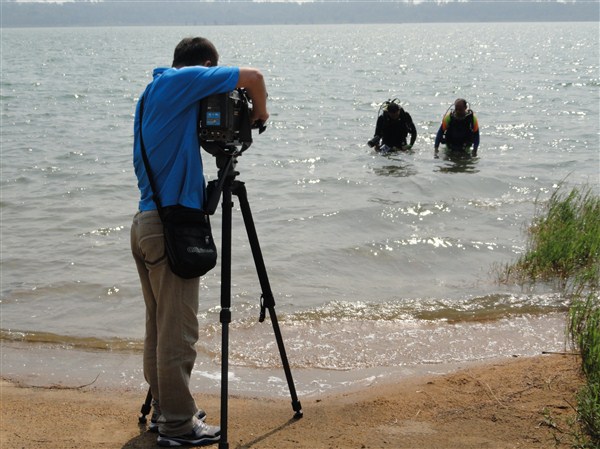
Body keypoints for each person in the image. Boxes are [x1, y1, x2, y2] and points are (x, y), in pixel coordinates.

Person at [130, 37, 268, 448]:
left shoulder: (153, 92)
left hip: (148, 222)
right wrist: (261, 114)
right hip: (171, 225)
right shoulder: (183, 80)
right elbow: (255, 77)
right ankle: (177, 425)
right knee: (178, 333)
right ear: (205, 66)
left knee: (159, 329)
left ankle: (165, 411)